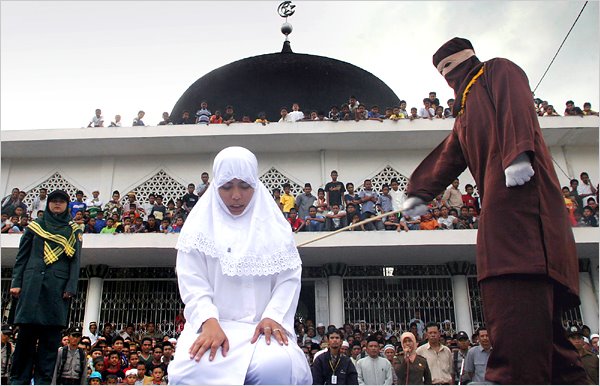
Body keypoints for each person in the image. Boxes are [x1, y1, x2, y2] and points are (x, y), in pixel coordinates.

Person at [402, 37, 587, 384]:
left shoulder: (496, 71)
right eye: (442, 72)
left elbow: (517, 106)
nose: (447, 75)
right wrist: (419, 193)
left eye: (450, 68)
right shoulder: (465, 112)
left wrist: (517, 153)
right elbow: (448, 156)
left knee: (517, 321)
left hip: (523, 206)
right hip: (499, 212)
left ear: (465, 60)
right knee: (551, 349)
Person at [167, 146, 311, 385]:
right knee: (187, 372)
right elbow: (193, 282)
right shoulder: (198, 229)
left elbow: (288, 279)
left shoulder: (276, 228)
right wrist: (208, 321)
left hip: (262, 328)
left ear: (255, 185)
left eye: (244, 187)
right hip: (213, 326)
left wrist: (273, 317)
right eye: (226, 187)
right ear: (215, 186)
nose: (236, 196)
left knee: (277, 366)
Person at [9, 189, 83, 385]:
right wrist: (16, 283)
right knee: (25, 338)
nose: (57, 204)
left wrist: (71, 287)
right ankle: (18, 380)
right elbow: (21, 257)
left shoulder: (73, 229)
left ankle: (43, 381)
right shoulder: (35, 226)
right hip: (32, 285)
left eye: (61, 202)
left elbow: (75, 261)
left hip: (57, 289)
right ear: (48, 204)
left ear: (67, 205)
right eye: (54, 201)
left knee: (50, 342)